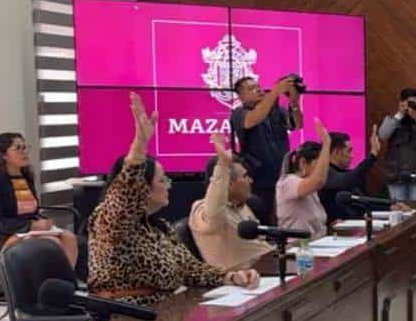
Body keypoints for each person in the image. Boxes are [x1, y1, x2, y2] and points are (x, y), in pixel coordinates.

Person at [90, 92, 259, 305]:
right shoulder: (110, 221)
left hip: (168, 310)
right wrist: (139, 146)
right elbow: (123, 195)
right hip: (126, 314)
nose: (168, 185)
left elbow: (190, 269)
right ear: (143, 188)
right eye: (162, 180)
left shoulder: (160, 227)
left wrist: (230, 276)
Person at [0, 131, 81, 268]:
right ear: (3, 155)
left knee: (69, 238)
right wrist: (31, 226)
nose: (24, 152)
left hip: (29, 230)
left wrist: (42, 222)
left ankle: (67, 279)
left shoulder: (26, 176)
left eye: (25, 147)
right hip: (3, 235)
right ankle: (49, 279)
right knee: (52, 243)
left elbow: (32, 211)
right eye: (18, 148)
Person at [190, 135, 272, 272]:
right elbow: (214, 214)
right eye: (245, 176)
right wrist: (223, 165)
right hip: (241, 279)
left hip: (267, 267)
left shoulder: (242, 206)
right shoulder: (201, 209)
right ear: (228, 183)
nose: (250, 181)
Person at [229, 75, 301, 223]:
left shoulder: (276, 111)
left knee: (286, 220)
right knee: (264, 220)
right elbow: (253, 119)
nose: (258, 90)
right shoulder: (238, 113)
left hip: (283, 177)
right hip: (259, 180)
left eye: (258, 87)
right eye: (251, 89)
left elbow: (297, 125)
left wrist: (294, 103)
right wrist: (275, 92)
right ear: (241, 96)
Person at [377, 88, 416, 202]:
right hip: (396, 176)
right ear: (401, 102)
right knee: (399, 209)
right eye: (409, 103)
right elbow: (383, 135)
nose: (412, 106)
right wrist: (399, 114)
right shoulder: (393, 120)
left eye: (415, 103)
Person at [275, 121, 334, 240]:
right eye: (319, 165)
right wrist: (326, 143)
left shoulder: (309, 187)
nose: (324, 170)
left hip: (316, 244)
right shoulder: (287, 182)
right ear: (303, 162)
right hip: (297, 248)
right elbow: (318, 181)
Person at [322, 131, 382, 223]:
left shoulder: (349, 176)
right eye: (349, 151)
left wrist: (391, 207)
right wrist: (372, 155)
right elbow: (344, 180)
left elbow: (365, 203)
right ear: (336, 152)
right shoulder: (325, 173)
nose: (352, 156)